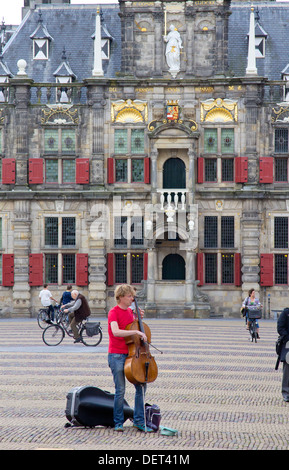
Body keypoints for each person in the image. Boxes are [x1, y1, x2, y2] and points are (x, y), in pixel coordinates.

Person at [108, 284, 153, 433]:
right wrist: (136, 331)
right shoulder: (113, 312)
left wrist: (138, 319)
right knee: (120, 389)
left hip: (133, 355)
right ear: (120, 297)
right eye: (129, 296)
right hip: (116, 355)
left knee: (141, 386)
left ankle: (139, 421)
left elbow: (134, 330)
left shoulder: (130, 312)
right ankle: (118, 422)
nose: (132, 299)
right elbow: (116, 331)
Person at [277, 308, 289, 401]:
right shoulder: (286, 313)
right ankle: (286, 392)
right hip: (288, 343)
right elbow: (280, 328)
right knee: (287, 368)